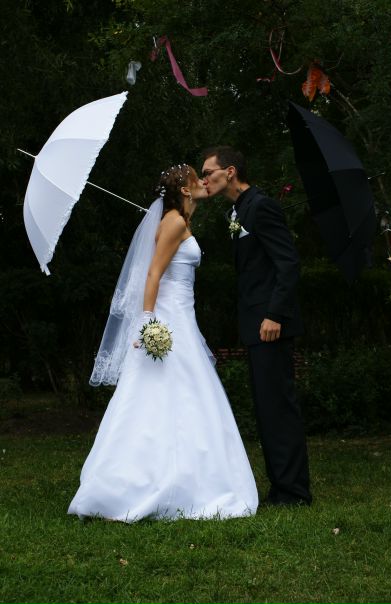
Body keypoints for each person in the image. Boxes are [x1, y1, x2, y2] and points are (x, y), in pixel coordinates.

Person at [68, 164, 258, 521]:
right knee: (159, 393)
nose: (204, 182)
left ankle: (183, 475)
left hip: (182, 316)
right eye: (197, 178)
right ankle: (138, 482)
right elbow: (153, 273)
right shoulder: (174, 222)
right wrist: (148, 322)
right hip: (168, 320)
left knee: (181, 394)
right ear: (184, 190)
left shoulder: (179, 220)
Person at [201, 146, 312, 506]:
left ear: (230, 171)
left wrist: (275, 314)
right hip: (255, 323)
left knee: (279, 407)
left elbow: (288, 263)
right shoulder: (237, 211)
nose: (204, 179)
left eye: (208, 172)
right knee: (267, 408)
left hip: (270, 325)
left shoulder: (261, 206)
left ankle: (294, 492)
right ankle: (282, 487)